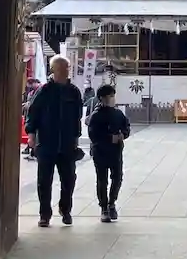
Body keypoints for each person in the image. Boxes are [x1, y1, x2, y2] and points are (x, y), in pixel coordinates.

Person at [25, 54, 84, 227]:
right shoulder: (44, 91)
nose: (66, 71)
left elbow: (77, 117)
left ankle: (65, 210)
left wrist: (76, 138)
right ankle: (45, 214)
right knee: (44, 181)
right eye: (62, 68)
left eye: (67, 68)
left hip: (67, 143)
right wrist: (31, 134)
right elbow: (32, 113)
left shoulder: (73, 92)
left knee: (69, 180)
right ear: (53, 70)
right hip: (46, 142)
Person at [87, 83, 131, 222]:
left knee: (117, 177)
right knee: (102, 180)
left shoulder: (118, 113)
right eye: (109, 96)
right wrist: (109, 138)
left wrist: (123, 135)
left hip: (116, 151)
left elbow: (126, 127)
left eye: (113, 96)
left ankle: (112, 203)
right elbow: (93, 135)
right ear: (102, 98)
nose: (112, 99)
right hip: (100, 152)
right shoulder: (96, 116)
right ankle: (104, 207)